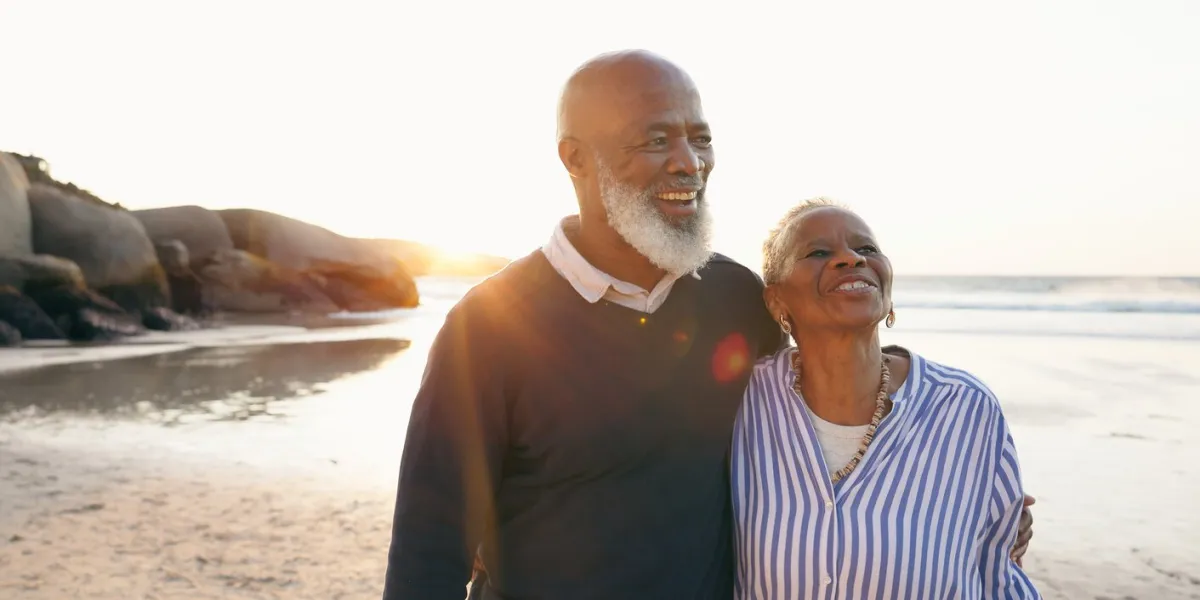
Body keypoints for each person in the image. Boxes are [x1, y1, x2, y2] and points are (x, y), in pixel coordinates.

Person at [382, 50, 1034, 600]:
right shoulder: (491, 327)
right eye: (656, 139)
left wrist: (962, 495)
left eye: (700, 137)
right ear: (576, 159)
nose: (689, 163)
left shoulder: (733, 298)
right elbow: (428, 549)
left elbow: (822, 399)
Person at [731, 198, 1040, 598]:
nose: (849, 259)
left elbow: (997, 570)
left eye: (867, 249)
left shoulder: (966, 408)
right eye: (818, 252)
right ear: (776, 302)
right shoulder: (741, 401)